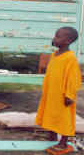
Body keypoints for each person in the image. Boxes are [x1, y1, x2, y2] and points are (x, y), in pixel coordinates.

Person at [36, 26, 82, 155]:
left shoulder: (70, 58)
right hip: (52, 93)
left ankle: (63, 143)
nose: (54, 38)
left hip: (64, 95)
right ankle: (52, 136)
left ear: (67, 41)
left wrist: (69, 95)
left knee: (64, 118)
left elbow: (74, 78)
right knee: (51, 114)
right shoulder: (54, 55)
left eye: (57, 36)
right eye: (55, 35)